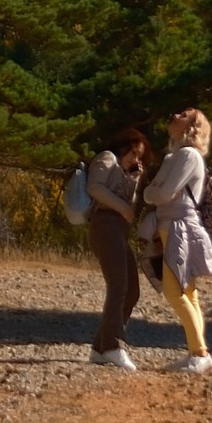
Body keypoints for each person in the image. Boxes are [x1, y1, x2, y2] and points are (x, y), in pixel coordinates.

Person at [138, 106, 212, 372]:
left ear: (193, 126)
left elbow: (159, 194)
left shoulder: (186, 155)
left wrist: (153, 192)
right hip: (174, 225)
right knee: (188, 293)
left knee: (175, 292)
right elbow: (157, 192)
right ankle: (197, 351)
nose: (174, 114)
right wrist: (155, 192)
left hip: (177, 227)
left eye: (184, 114)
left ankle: (200, 353)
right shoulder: (177, 156)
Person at [83, 128, 151, 367]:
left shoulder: (125, 172)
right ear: (123, 147)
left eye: (140, 156)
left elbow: (131, 207)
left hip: (119, 229)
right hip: (104, 224)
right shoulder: (107, 158)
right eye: (134, 153)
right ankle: (113, 345)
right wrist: (122, 208)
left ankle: (100, 347)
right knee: (118, 285)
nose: (136, 159)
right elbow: (95, 187)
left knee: (132, 289)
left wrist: (134, 179)